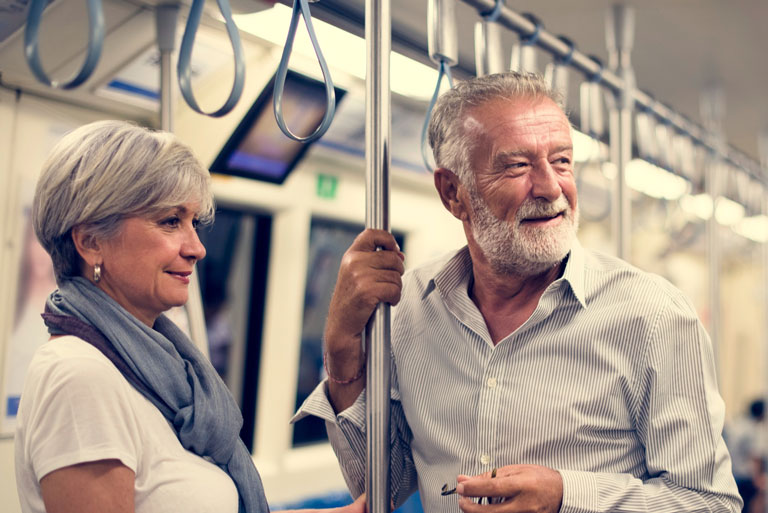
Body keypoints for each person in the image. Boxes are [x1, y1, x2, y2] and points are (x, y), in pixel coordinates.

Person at [293, 72, 742, 512]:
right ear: (454, 193)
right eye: (517, 166)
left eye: (562, 161)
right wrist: (342, 342)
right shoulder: (409, 308)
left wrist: (569, 498)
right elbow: (380, 486)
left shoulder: (655, 317)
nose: (550, 188)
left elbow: (710, 503)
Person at [14, 120, 366, 513]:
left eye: (193, 224)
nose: (197, 248)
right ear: (91, 242)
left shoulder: (161, 369)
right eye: (169, 221)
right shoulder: (80, 376)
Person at [727, 399, 766, 512]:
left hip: (734, 475)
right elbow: (755, 457)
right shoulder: (752, 430)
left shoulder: (739, 424)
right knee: (749, 507)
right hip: (746, 477)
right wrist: (758, 479)